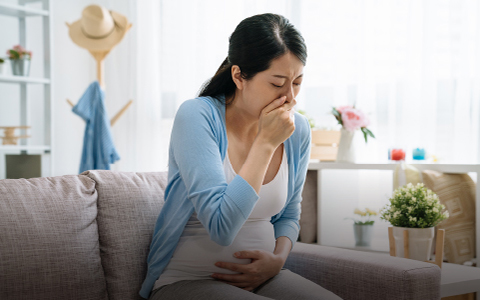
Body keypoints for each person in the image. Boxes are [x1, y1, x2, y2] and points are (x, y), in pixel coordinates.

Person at [140, 13, 342, 300]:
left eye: (297, 82)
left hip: (264, 279)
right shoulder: (197, 116)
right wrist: (265, 144)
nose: (290, 97)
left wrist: (277, 261)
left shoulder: (298, 132)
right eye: (277, 83)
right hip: (186, 280)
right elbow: (221, 228)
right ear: (238, 76)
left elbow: (289, 215)